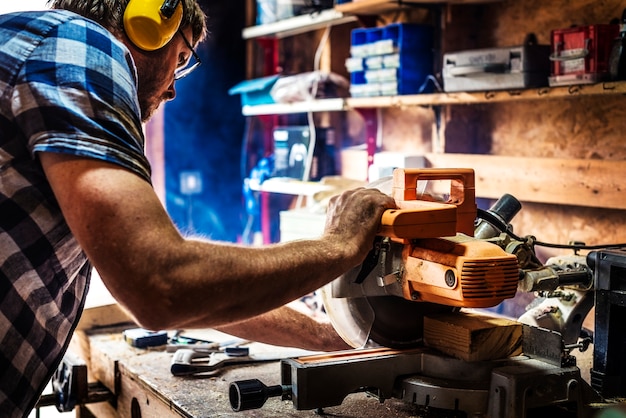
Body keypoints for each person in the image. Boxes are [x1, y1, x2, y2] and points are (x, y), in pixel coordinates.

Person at [0, 0, 395, 416]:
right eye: (182, 58)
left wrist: (328, 334)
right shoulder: (77, 44)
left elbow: (192, 289)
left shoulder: (37, 46)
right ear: (149, 22)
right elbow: (162, 283)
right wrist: (340, 244)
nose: (172, 87)